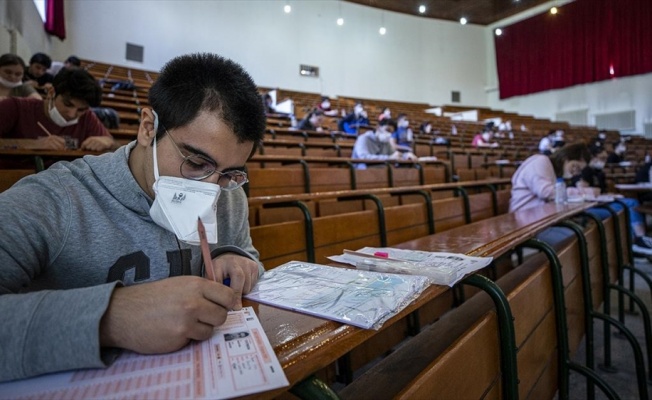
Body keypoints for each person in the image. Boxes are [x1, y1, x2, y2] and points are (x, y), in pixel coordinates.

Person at [0, 52, 267, 382]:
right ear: (147, 128)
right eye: (196, 164)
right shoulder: (56, 200)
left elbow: (249, 259)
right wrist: (110, 318)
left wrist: (235, 258)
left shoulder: (229, 195)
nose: (211, 189)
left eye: (229, 173)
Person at [0, 68, 116, 151]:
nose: (72, 114)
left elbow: (115, 146)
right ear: (51, 93)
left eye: (81, 110)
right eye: (67, 104)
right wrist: (33, 144)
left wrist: (107, 142)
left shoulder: (87, 117)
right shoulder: (14, 107)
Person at [573, 143, 652, 255]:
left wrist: (609, 195)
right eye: (601, 158)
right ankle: (636, 241)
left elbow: (602, 190)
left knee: (632, 202)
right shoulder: (585, 171)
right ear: (593, 157)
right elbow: (584, 192)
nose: (604, 161)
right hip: (592, 205)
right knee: (627, 206)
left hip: (602, 201)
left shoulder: (599, 173)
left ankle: (639, 239)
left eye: (605, 158)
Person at [509, 142, 590, 212]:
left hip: (541, 217)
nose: (575, 172)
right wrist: (582, 192)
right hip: (524, 219)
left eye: (579, 171)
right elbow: (545, 192)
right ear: (565, 158)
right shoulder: (541, 161)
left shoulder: (553, 172)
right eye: (575, 166)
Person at [351, 118, 416, 169]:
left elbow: (394, 155)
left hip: (380, 169)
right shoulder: (363, 138)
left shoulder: (385, 142)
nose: (389, 134)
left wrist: (406, 155)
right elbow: (363, 157)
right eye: (387, 130)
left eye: (391, 133)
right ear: (378, 127)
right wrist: (389, 158)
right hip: (361, 170)